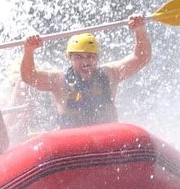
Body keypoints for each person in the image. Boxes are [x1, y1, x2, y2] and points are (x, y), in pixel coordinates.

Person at [20, 14, 151, 129]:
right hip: (71, 143)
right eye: (78, 57)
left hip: (108, 139)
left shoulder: (110, 74)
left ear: (97, 58)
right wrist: (29, 50)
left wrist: (140, 31)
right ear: (70, 58)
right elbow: (29, 76)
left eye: (90, 56)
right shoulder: (58, 80)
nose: (85, 62)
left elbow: (140, 58)